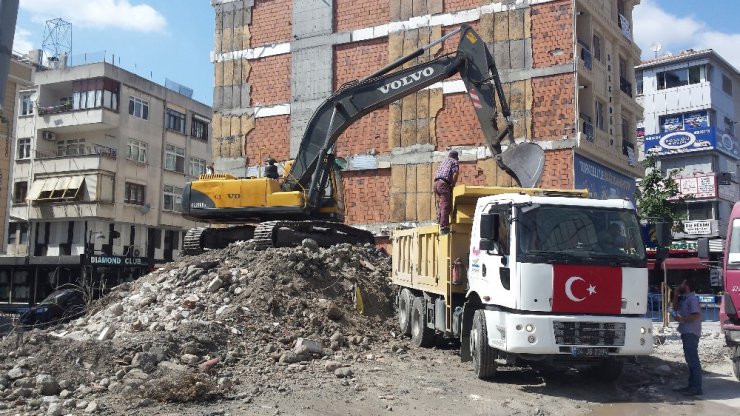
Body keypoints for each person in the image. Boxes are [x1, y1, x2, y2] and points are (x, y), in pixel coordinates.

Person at [671, 278, 703, 396]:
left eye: (682, 283)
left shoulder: (692, 299)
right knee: (690, 359)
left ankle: (696, 388)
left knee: (693, 360)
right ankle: (691, 386)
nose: (680, 285)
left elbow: (696, 315)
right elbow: (675, 308)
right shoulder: (685, 298)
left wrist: (682, 319)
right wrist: (675, 294)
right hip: (686, 332)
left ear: (687, 286)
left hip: (691, 332)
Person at [433, 150, 460, 235]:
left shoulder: (443, 161)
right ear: (456, 157)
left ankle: (439, 221)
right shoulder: (454, 161)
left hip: (436, 184)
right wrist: (452, 185)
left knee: (441, 204)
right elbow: (455, 174)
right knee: (445, 204)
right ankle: (444, 227)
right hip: (443, 184)